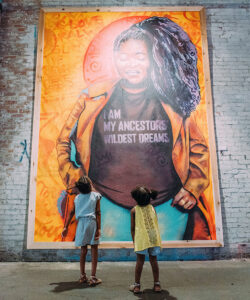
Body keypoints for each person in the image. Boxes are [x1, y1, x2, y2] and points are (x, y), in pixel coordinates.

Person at [57, 16, 213, 241]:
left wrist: (192, 188)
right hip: (104, 208)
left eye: (140, 56)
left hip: (168, 210)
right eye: (123, 57)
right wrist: (78, 181)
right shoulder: (92, 97)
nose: (131, 64)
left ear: (152, 59)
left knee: (154, 257)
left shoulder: (173, 99)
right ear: (115, 59)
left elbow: (199, 148)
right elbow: (63, 142)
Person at [61, 176, 102, 285]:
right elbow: (98, 213)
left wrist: (66, 227)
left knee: (83, 251)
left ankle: (83, 276)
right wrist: (99, 228)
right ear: (90, 186)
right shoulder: (96, 196)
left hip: (81, 224)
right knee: (94, 250)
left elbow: (71, 212)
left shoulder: (77, 198)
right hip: (92, 223)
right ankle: (93, 278)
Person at [130, 186, 162, 294]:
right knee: (154, 261)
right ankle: (157, 284)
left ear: (136, 199)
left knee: (140, 262)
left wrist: (134, 242)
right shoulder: (152, 208)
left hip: (141, 239)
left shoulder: (134, 210)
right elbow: (155, 223)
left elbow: (132, 228)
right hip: (153, 238)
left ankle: (137, 285)